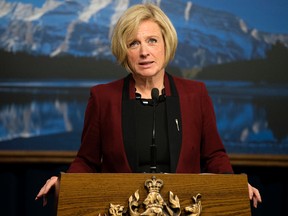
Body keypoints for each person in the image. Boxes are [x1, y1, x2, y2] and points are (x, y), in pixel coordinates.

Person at [35, 3, 261, 208]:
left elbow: (214, 157)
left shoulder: (195, 94)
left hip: (182, 209)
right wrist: (64, 183)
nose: (144, 52)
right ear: (124, 51)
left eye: (152, 40)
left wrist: (235, 187)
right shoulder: (103, 97)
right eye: (134, 43)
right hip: (121, 210)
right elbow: (87, 161)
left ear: (166, 43)